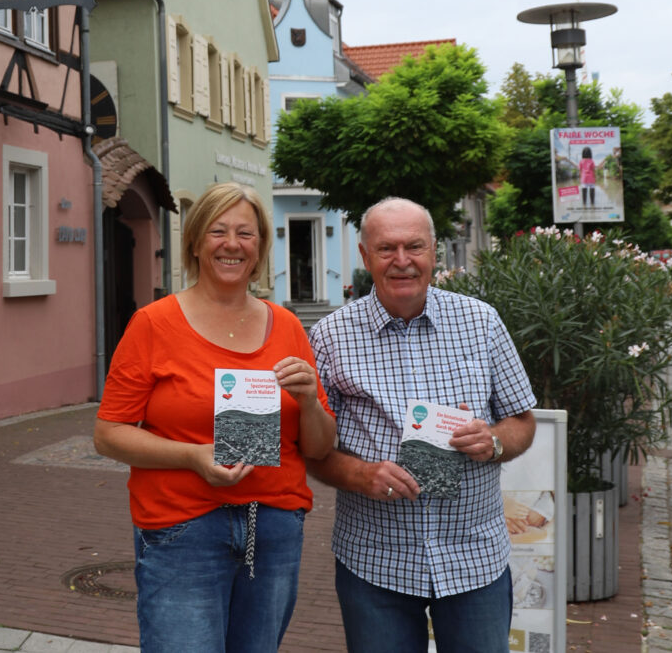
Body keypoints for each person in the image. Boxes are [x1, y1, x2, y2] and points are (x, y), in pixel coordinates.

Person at [94, 181, 337, 653]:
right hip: (183, 523)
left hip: (273, 526)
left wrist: (309, 401)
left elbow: (320, 447)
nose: (232, 244)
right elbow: (108, 435)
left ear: (261, 246)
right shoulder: (153, 323)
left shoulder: (286, 325)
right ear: (195, 242)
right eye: (218, 231)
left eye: (245, 234)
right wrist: (193, 456)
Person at [307, 197, 537, 653]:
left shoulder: (481, 322)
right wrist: (360, 474)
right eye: (387, 248)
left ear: (434, 250)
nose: (402, 261)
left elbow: (522, 420)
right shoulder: (330, 335)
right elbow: (314, 449)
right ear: (365, 256)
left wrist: (492, 440)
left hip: (474, 557)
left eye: (414, 246)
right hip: (375, 561)